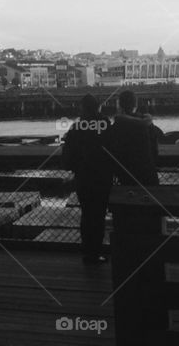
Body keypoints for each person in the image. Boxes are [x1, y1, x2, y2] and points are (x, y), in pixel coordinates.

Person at [62, 95, 112, 264]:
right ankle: (96, 252)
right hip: (102, 177)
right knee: (99, 216)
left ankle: (87, 252)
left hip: (83, 177)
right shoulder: (104, 124)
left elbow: (67, 156)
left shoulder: (76, 127)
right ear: (98, 108)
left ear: (82, 108)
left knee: (87, 215)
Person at [102, 90, 160, 187]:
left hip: (126, 178)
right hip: (149, 177)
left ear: (119, 106)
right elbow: (154, 151)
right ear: (136, 105)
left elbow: (113, 152)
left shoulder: (116, 127)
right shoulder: (148, 124)